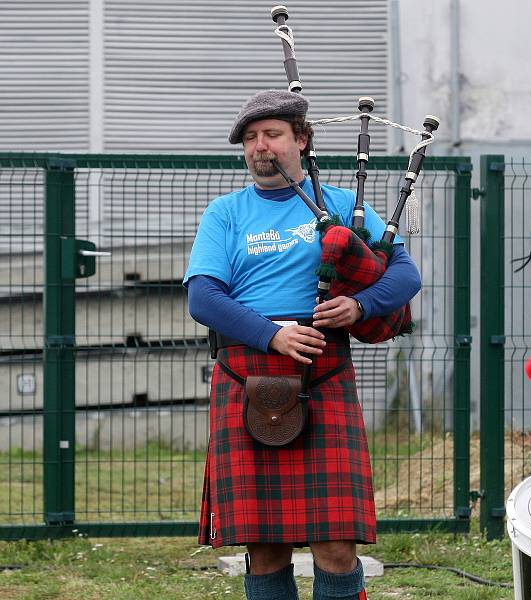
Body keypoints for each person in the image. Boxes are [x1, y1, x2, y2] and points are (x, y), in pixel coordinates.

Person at [183, 89, 422, 600]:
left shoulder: (341, 205)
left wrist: (361, 306)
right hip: (245, 374)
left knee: (336, 545)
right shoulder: (224, 214)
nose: (259, 146)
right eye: (249, 138)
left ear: (302, 140)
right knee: (264, 545)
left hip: (323, 370)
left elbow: (405, 275)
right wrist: (273, 334)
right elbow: (203, 297)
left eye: (271, 134)